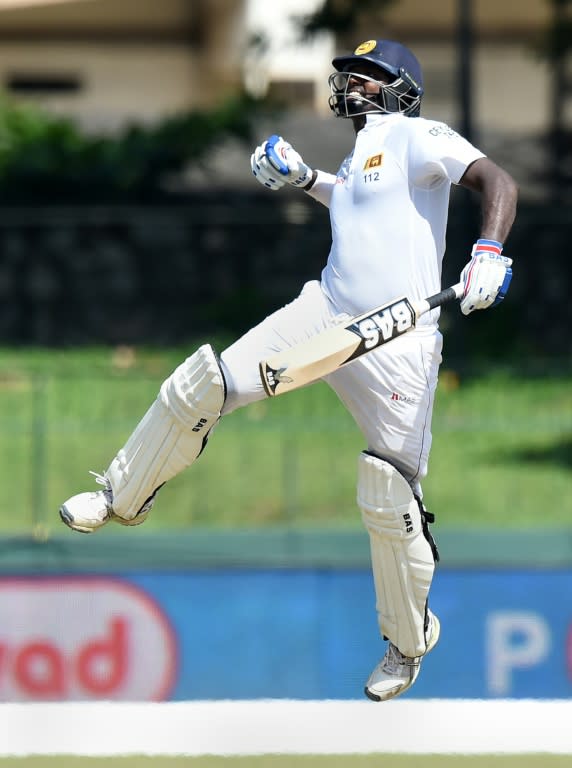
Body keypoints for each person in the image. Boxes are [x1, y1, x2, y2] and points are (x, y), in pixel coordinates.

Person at [59, 39, 518, 701]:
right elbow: (359, 212)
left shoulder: (420, 136)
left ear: (399, 89)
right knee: (207, 383)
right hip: (326, 310)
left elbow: (497, 181)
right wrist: (306, 179)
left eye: (364, 78)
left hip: (400, 342)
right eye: (349, 77)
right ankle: (119, 495)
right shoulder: (362, 155)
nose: (351, 87)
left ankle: (408, 640)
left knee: (390, 494)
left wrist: (488, 251)